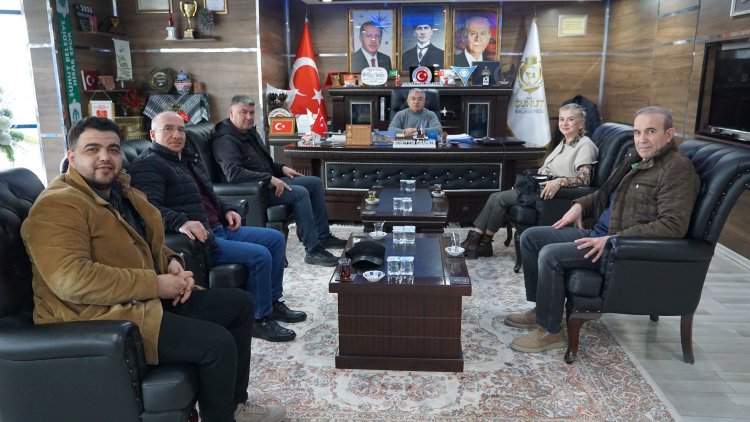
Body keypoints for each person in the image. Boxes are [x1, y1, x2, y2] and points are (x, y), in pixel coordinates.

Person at [21, 116, 285, 422]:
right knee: (217, 343)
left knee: (238, 304)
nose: (105, 157)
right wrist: (156, 284)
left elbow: (149, 241)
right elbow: (72, 279)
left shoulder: (120, 192)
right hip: (97, 316)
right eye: (92, 149)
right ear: (71, 156)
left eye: (113, 149)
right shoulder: (58, 205)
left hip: (137, 301)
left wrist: (172, 263)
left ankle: (233, 405)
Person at [505, 106, 700, 353]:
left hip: (618, 248)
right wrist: (580, 205)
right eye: (638, 132)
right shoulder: (636, 158)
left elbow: (672, 226)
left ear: (669, 134)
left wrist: (613, 239)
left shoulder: (676, 169)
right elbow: (604, 192)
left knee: (550, 255)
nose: (642, 139)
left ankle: (550, 331)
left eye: (650, 131)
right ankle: (542, 310)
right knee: (531, 238)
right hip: (598, 233)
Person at [129, 111, 306, 343]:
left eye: (181, 129)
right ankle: (258, 319)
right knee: (260, 255)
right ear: (153, 135)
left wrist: (226, 210)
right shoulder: (148, 165)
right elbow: (148, 210)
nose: (177, 135)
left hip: (219, 227)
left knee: (275, 239)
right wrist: (180, 221)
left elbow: (209, 194)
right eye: (168, 129)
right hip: (203, 240)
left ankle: (272, 303)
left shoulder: (188, 159)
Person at [211, 95, 347, 267]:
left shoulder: (248, 132)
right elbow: (233, 173)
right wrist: (270, 178)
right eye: (243, 112)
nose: (248, 117)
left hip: (265, 184)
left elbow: (261, 164)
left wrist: (281, 168)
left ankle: (323, 237)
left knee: (314, 183)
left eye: (251, 112)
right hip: (252, 192)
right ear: (231, 113)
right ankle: (313, 251)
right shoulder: (225, 140)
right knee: (299, 193)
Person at [461, 103, 598, 259]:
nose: (564, 123)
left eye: (570, 119)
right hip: (538, 188)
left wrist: (559, 182)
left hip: (553, 196)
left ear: (581, 123)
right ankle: (482, 243)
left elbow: (584, 179)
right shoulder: (564, 142)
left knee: (499, 198)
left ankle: (479, 242)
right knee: (495, 197)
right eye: (561, 119)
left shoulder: (585, 145)